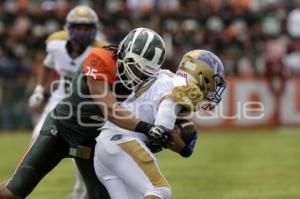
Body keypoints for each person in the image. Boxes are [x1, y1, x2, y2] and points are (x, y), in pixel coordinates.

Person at [0, 27, 169, 199]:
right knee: (14, 192)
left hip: (90, 141)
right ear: (125, 51)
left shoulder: (149, 81)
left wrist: (165, 131)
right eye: (137, 67)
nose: (139, 76)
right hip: (60, 131)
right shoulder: (100, 58)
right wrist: (147, 128)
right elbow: (109, 108)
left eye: (145, 73)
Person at [93, 49, 227, 199]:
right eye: (215, 80)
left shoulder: (163, 75)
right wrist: (181, 146)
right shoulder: (181, 85)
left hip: (105, 147)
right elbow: (164, 121)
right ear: (203, 76)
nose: (215, 87)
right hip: (122, 143)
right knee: (159, 190)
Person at [27, 5, 108, 199]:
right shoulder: (56, 45)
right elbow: (47, 66)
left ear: (94, 29)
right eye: (78, 27)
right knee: (36, 137)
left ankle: (80, 188)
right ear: (69, 27)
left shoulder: (101, 50)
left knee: (81, 151)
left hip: (83, 106)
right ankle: (21, 184)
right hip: (57, 100)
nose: (82, 32)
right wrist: (39, 89)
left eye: (87, 27)